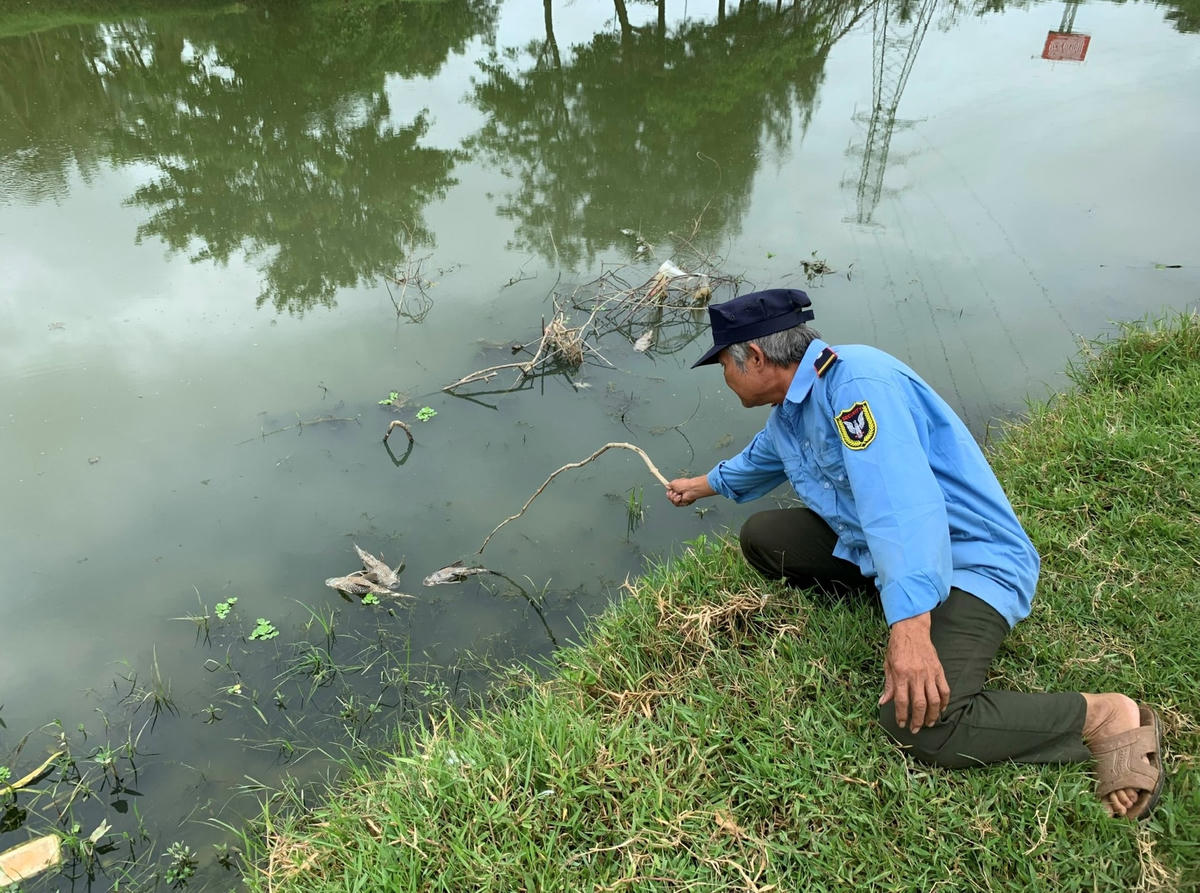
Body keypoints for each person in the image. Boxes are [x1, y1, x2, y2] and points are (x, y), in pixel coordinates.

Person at [665, 287, 1164, 819]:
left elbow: (900, 507)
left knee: (920, 725)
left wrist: (909, 626)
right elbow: (760, 461)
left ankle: (1102, 716)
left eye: (723, 365)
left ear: (757, 358)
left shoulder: (857, 387)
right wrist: (700, 485)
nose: (725, 378)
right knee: (765, 537)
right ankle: (899, 592)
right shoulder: (792, 409)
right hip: (882, 551)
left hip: (968, 559)